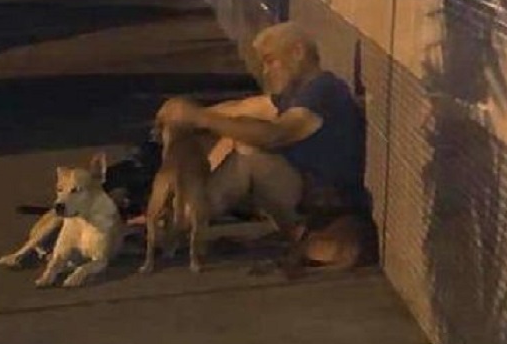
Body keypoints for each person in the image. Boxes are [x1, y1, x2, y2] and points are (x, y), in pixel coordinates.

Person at [155, 21, 369, 269]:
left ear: (297, 52)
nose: (266, 71)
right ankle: (184, 214)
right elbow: (243, 109)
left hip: (326, 206)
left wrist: (198, 117)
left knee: (249, 151)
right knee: (236, 133)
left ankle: (182, 222)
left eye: (271, 60)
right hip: (304, 197)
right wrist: (186, 116)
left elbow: (276, 135)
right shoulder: (297, 92)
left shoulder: (324, 92)